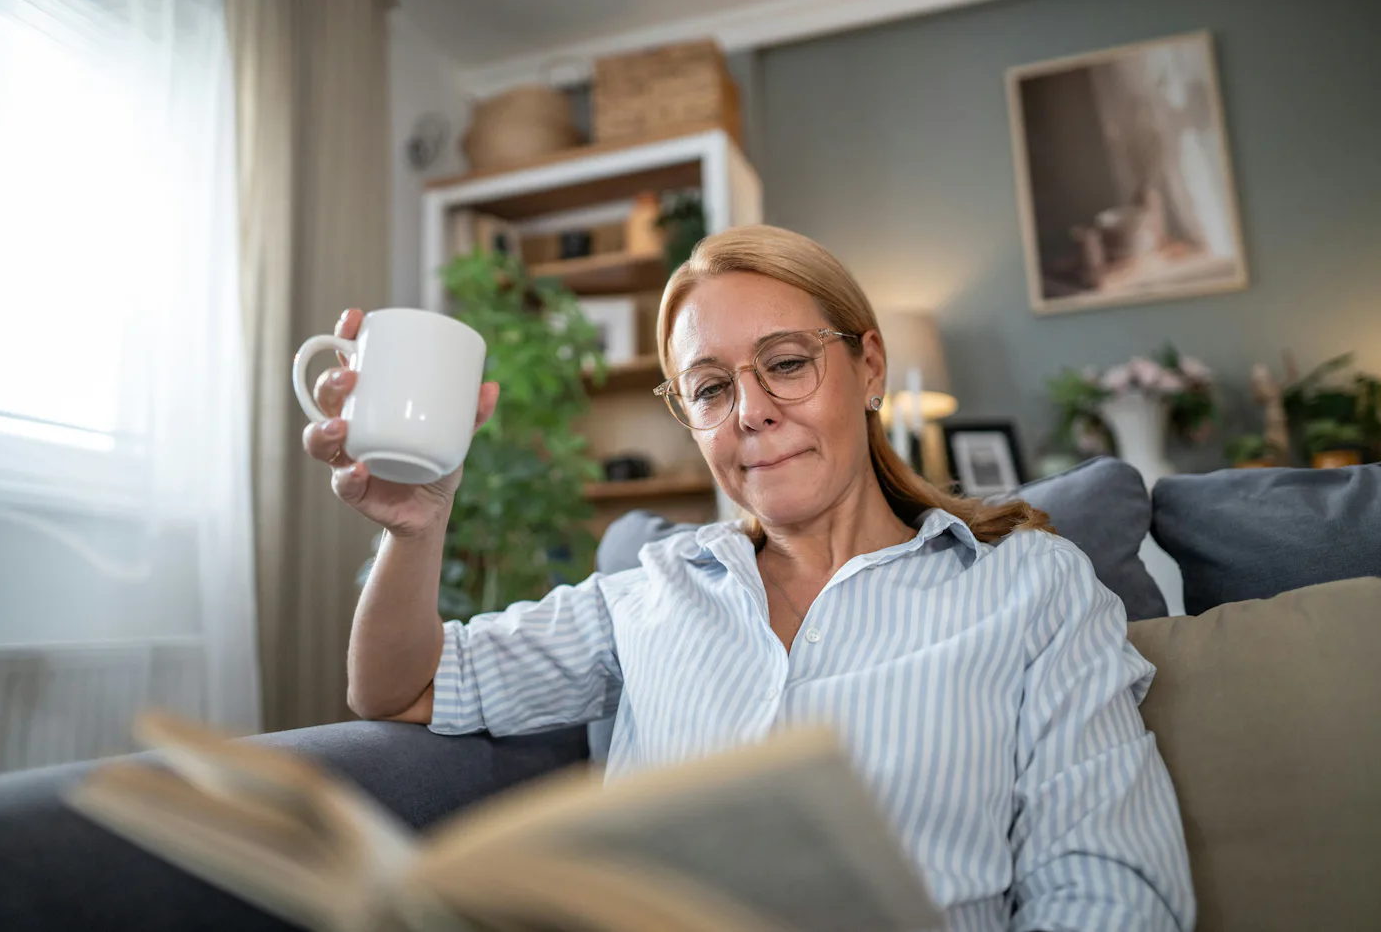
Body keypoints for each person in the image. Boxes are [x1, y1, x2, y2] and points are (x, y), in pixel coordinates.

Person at [302, 225, 1194, 932]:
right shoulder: (654, 591)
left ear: (869, 367)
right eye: (710, 388)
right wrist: (417, 526)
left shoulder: (1030, 586)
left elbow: (1110, 889)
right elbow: (400, 686)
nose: (754, 411)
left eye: (788, 363)